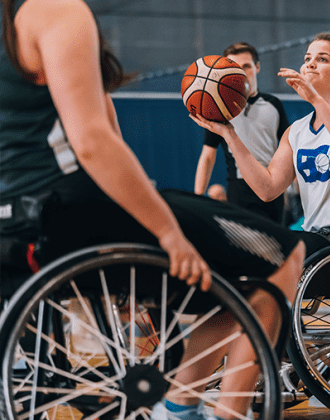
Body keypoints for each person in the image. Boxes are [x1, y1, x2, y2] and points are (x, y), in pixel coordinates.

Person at [0, 1, 305, 419]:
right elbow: (92, 140)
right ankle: (228, 411)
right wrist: (166, 233)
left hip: (11, 227)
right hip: (66, 210)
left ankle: (180, 406)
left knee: (227, 288)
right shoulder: (53, 10)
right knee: (286, 254)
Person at [191, 32, 330, 260]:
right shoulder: (296, 131)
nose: (311, 63)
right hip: (318, 239)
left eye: (322, 59)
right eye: (307, 58)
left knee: (276, 250)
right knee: (244, 246)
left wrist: (315, 100)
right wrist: (229, 134)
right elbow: (267, 189)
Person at [193, 42, 290, 222]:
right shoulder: (220, 108)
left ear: (257, 67)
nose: (242, 71)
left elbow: (291, 149)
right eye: (235, 67)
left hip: (273, 188)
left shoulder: (274, 105)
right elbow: (207, 156)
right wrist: (197, 198)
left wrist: (294, 190)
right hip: (239, 190)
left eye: (246, 66)